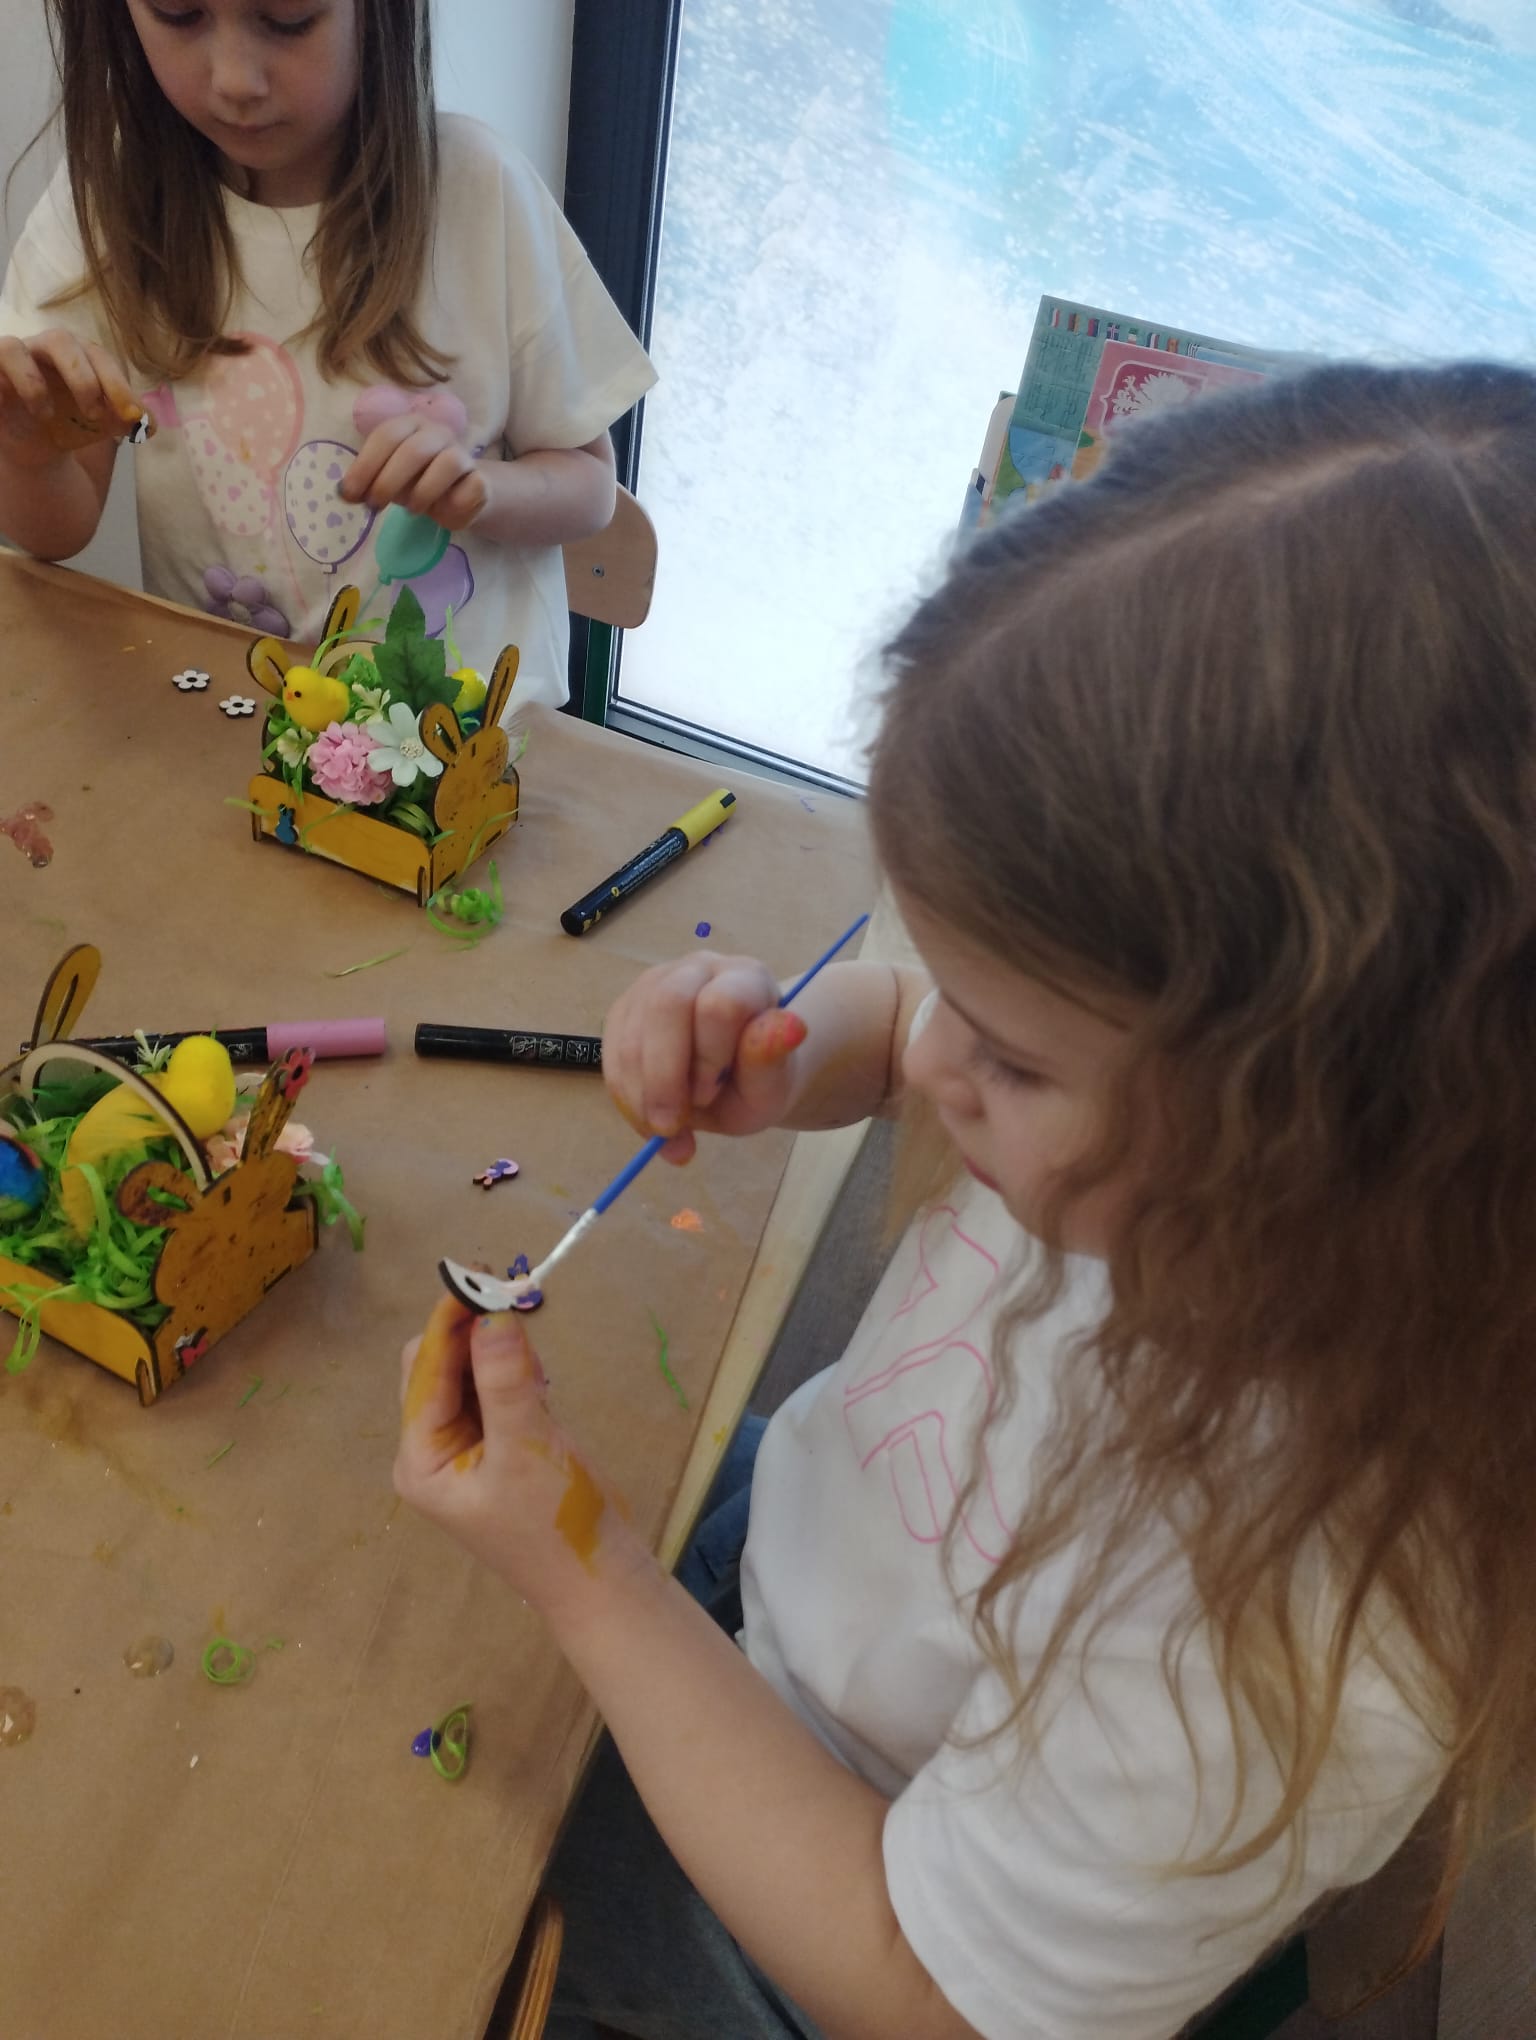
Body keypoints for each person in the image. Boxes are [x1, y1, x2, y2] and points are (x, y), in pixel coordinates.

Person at [395, 361, 1536, 2039]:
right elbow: (912, 1029)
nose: (938, 1064)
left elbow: (923, 1989)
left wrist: (583, 1572)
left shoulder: (1279, 1628)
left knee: (386, 1883)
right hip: (805, 1572)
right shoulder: (1182, 1095)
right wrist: (792, 1045)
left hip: (853, 1908)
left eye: (1007, 1054)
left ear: (1312, 1140)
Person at [0, 0, 655, 709]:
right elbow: (55, 533)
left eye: (289, 20)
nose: (236, 80)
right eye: (179, 13)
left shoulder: (479, 187)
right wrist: (28, 456)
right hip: (232, 717)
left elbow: (589, 486)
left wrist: (482, 491)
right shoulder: (104, 201)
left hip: (465, 732)